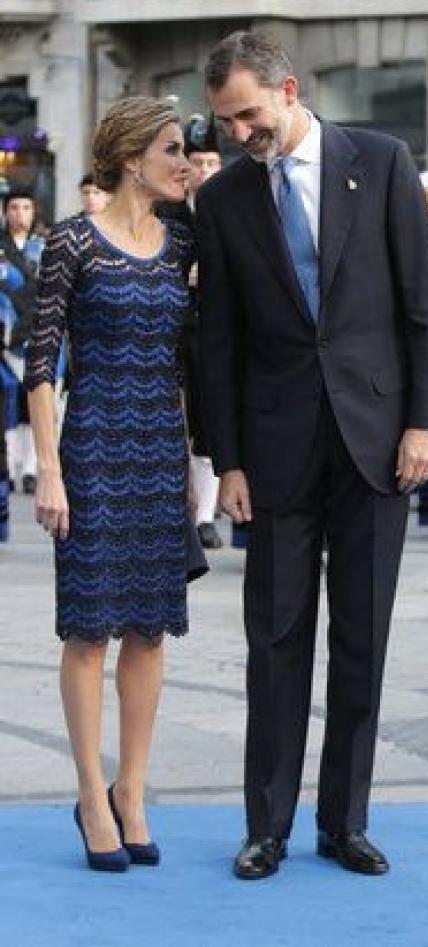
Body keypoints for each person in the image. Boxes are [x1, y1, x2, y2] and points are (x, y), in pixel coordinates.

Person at [197, 30, 428, 880]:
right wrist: (226, 458)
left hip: (379, 443)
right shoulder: (225, 198)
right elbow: (219, 341)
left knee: (361, 637)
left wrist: (427, 423)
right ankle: (265, 825)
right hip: (273, 452)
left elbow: (425, 302)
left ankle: (345, 821)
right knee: (273, 640)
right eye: (226, 121)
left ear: (290, 89)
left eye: (248, 114)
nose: (239, 133)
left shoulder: (378, 161)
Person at [25, 97, 196, 872]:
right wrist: (50, 469)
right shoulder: (72, 242)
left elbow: (183, 361)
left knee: (151, 627)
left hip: (160, 448)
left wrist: (193, 466)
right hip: (91, 446)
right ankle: (91, 793)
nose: (184, 161)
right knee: (90, 627)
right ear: (131, 157)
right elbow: (40, 362)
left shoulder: (179, 243)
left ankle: (133, 788)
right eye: (172, 149)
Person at [159, 115, 225, 550]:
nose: (202, 170)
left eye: (211, 162)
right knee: (170, 421)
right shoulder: (167, 212)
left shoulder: (230, 208)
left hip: (213, 331)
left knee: (207, 420)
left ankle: (204, 516)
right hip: (171, 328)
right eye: (196, 161)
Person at [1, 189, 45, 495]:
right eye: (13, 207)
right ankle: (12, 467)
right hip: (5, 336)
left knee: (36, 404)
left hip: (39, 334)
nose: (19, 213)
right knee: (9, 404)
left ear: (34, 212)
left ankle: (31, 469)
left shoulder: (45, 247)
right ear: (5, 212)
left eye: (25, 207)